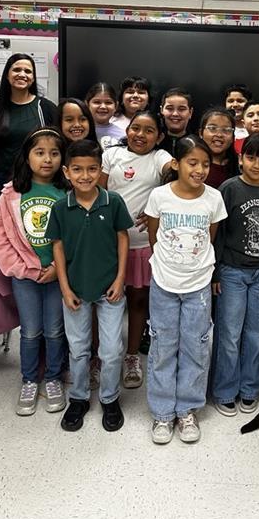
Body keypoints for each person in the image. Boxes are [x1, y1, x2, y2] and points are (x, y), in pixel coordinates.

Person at [144, 135, 227, 444]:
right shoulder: (159, 196)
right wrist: (167, 264)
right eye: (193, 163)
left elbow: (211, 235)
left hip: (199, 284)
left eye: (205, 164)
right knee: (164, 345)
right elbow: (155, 236)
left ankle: (187, 410)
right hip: (164, 281)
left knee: (196, 344)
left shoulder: (214, 198)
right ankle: (163, 413)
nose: (200, 170)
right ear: (177, 164)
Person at [47, 139, 133, 433]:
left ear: (100, 170)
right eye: (78, 169)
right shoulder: (60, 208)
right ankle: (79, 398)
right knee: (79, 349)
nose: (85, 175)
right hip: (75, 291)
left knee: (110, 350)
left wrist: (121, 278)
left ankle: (110, 399)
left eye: (92, 169)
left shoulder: (114, 202)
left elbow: (123, 238)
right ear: (67, 172)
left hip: (110, 290)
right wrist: (65, 288)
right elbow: (56, 247)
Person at [0, 127, 68, 416]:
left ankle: (53, 378)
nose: (47, 159)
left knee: (55, 330)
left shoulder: (67, 191)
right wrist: (24, 269)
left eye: (54, 153)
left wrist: (59, 268)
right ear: (27, 156)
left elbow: (76, 235)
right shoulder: (11, 194)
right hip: (25, 276)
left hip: (58, 276)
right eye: (40, 152)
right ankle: (29, 379)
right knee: (31, 331)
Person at [99, 110, 171, 389]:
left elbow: (172, 173)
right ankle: (102, 357)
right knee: (107, 302)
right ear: (127, 130)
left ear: (160, 136)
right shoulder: (111, 156)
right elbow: (99, 192)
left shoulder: (159, 157)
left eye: (149, 130)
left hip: (143, 245)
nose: (140, 135)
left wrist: (159, 207)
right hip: (110, 245)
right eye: (135, 128)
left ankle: (131, 356)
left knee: (139, 301)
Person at [211, 134, 259, 416]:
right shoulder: (229, 188)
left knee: (258, 333)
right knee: (229, 333)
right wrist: (215, 271)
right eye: (251, 157)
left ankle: (250, 388)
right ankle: (225, 389)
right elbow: (216, 233)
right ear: (240, 159)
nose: (256, 164)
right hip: (232, 271)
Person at [0, 53, 58, 201]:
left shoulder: (46, 108)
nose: (22, 74)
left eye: (28, 71)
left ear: (33, 78)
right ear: (7, 75)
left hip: (37, 181)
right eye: (16, 70)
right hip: (1, 184)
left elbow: (57, 149)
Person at [199, 106, 238, 188]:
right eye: (212, 128)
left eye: (226, 130)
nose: (219, 134)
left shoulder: (240, 166)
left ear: (232, 137)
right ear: (201, 133)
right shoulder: (190, 163)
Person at [85, 82, 121, 150]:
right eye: (97, 102)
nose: (103, 107)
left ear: (116, 106)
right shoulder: (81, 131)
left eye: (108, 102)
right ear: (87, 104)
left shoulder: (123, 135)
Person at [159, 88, 194, 155]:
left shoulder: (197, 145)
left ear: (190, 112)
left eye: (181, 109)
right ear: (161, 110)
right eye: (169, 108)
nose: (175, 114)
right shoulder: (153, 143)